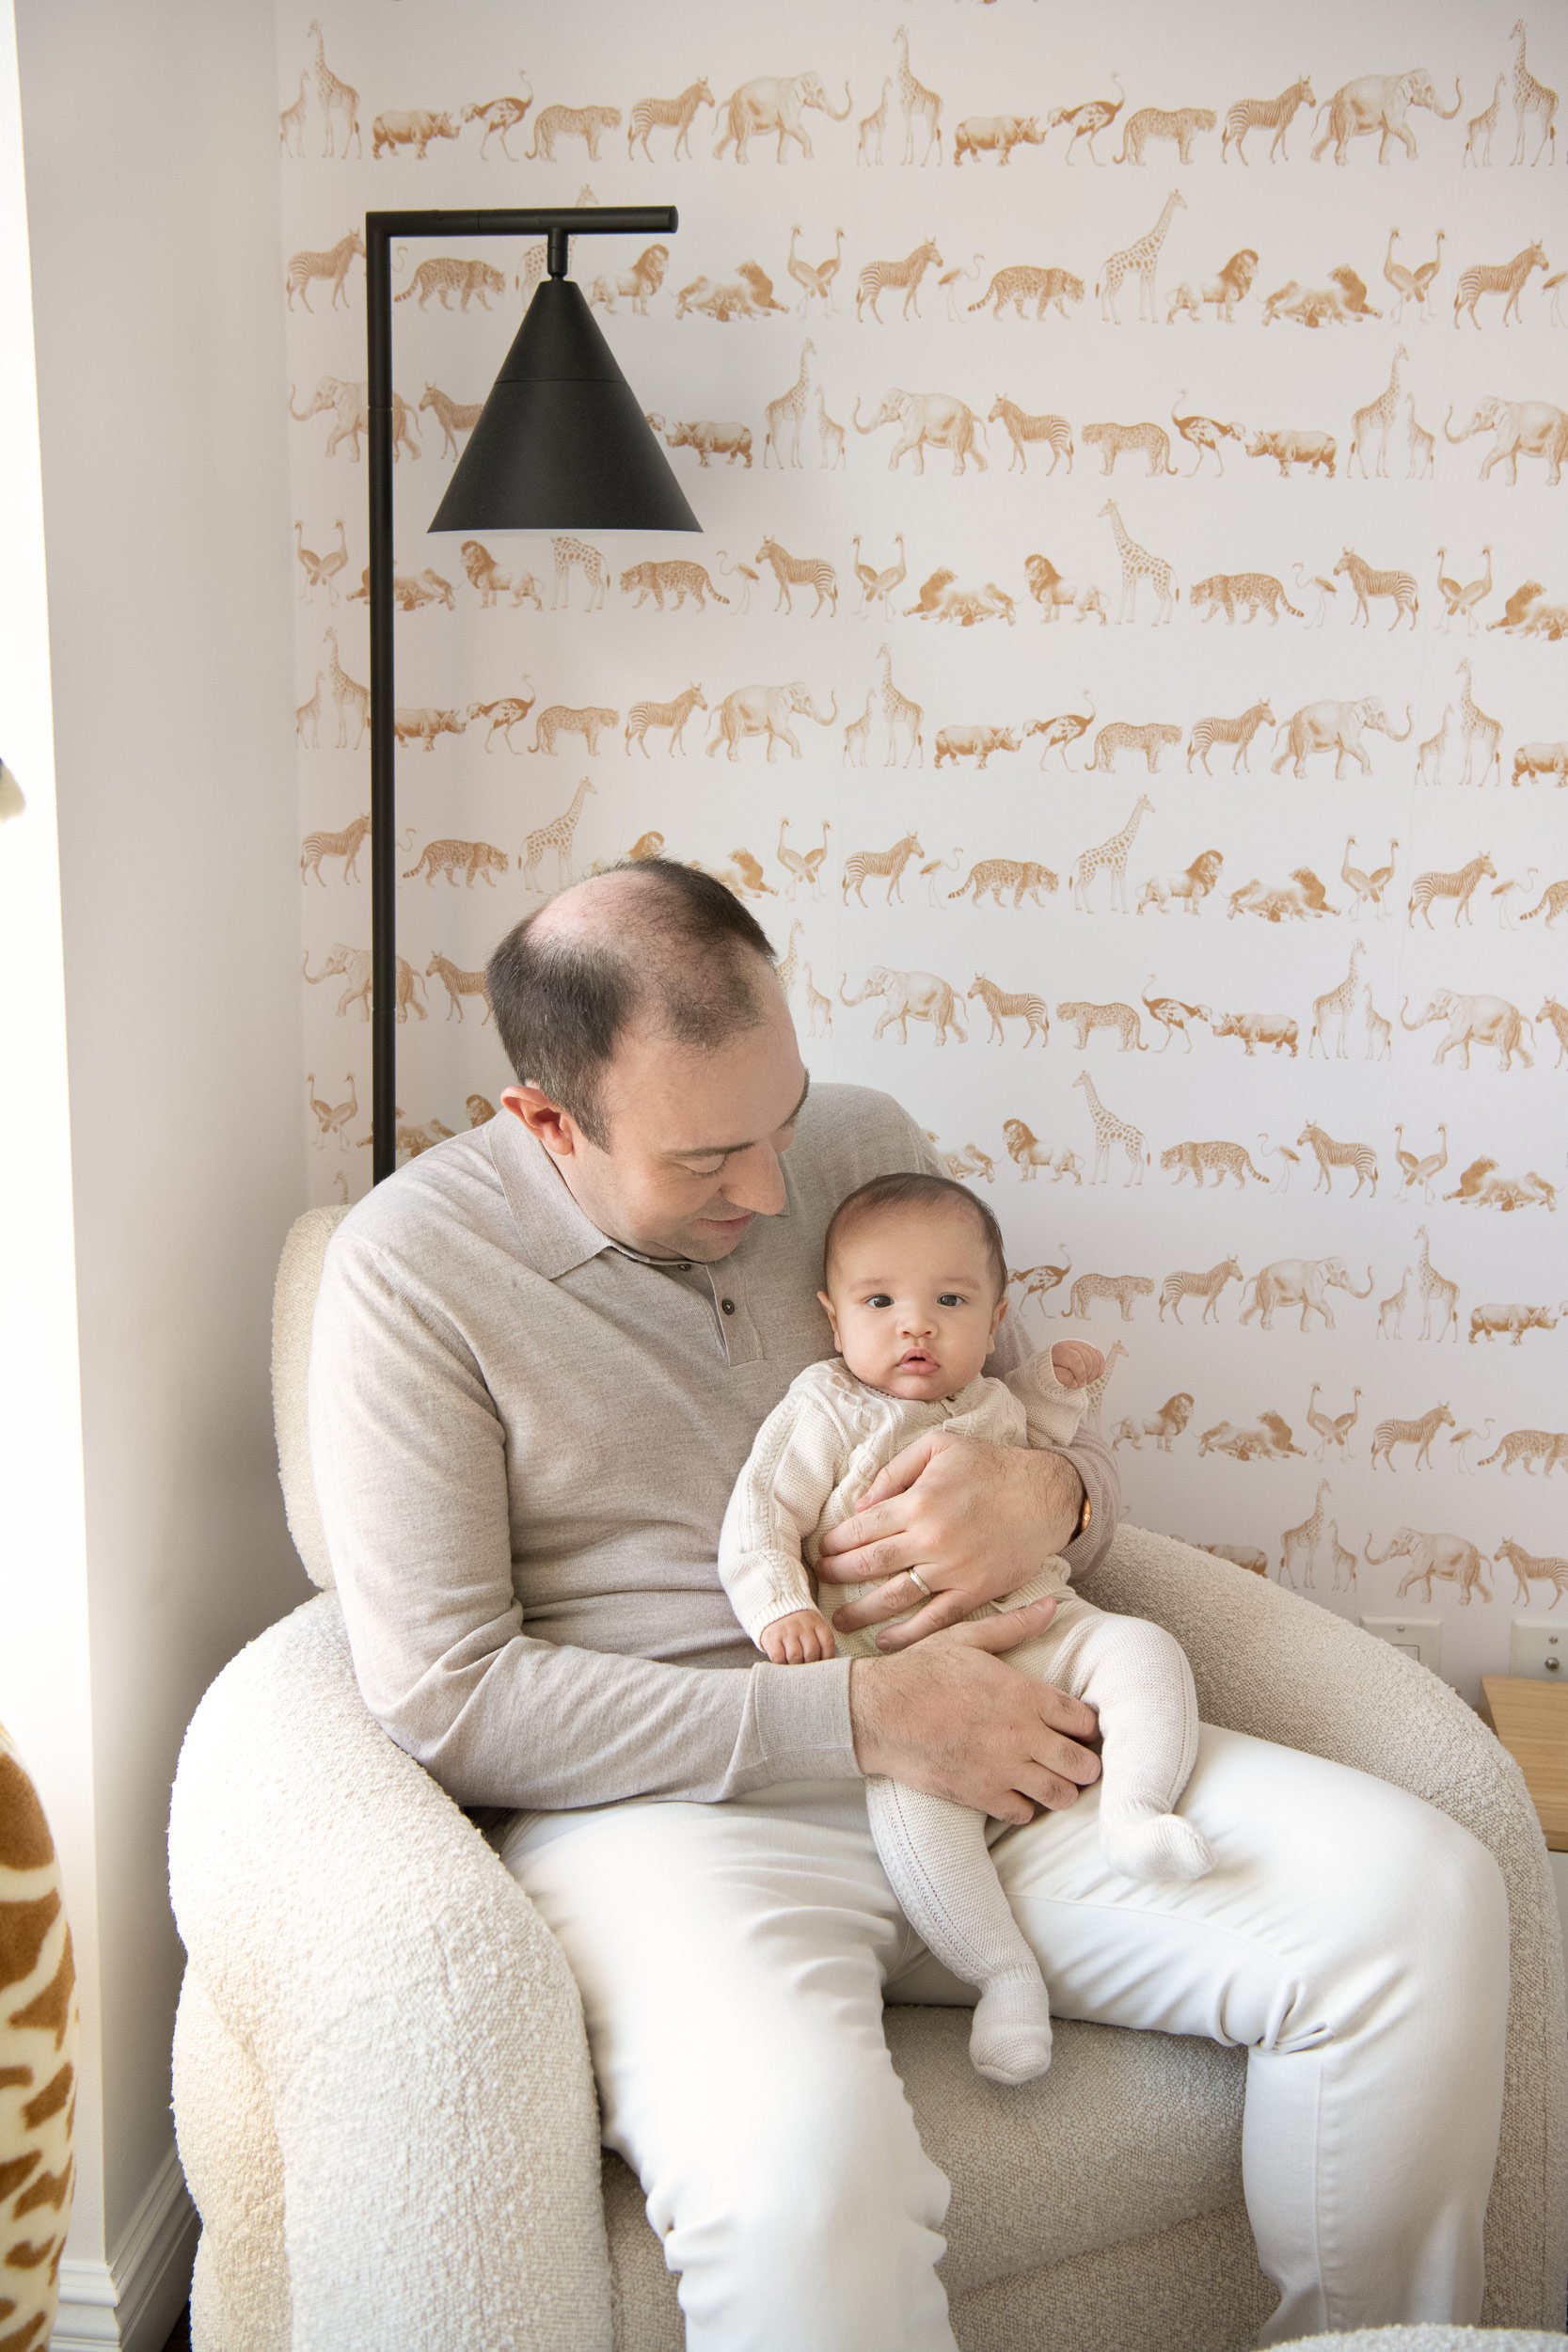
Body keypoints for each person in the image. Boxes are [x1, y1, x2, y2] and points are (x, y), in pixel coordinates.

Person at [308, 857, 1510, 2352]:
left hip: (1008, 1740)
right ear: (546, 1122)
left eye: (782, 1122)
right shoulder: (409, 1276)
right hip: (680, 1818)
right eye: (705, 1162)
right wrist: (861, 1713)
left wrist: (1053, 1503)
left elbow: (1046, 1437)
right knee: (806, 2188)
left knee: (1418, 1901)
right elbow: (447, 1695)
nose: (769, 1193)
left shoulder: (862, 1147)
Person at [718, 1168, 1213, 2087]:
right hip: (916, 1677)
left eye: (949, 1300)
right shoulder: (822, 1407)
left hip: (1039, 1624)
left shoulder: (990, 1398)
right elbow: (758, 1519)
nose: (916, 1324)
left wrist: (1057, 1385)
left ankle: (1135, 1813)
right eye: (880, 1300)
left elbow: (1039, 1433)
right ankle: (1003, 1975)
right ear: (832, 1316)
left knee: (1142, 1649)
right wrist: (780, 1604)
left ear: (992, 1318)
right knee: (916, 1823)